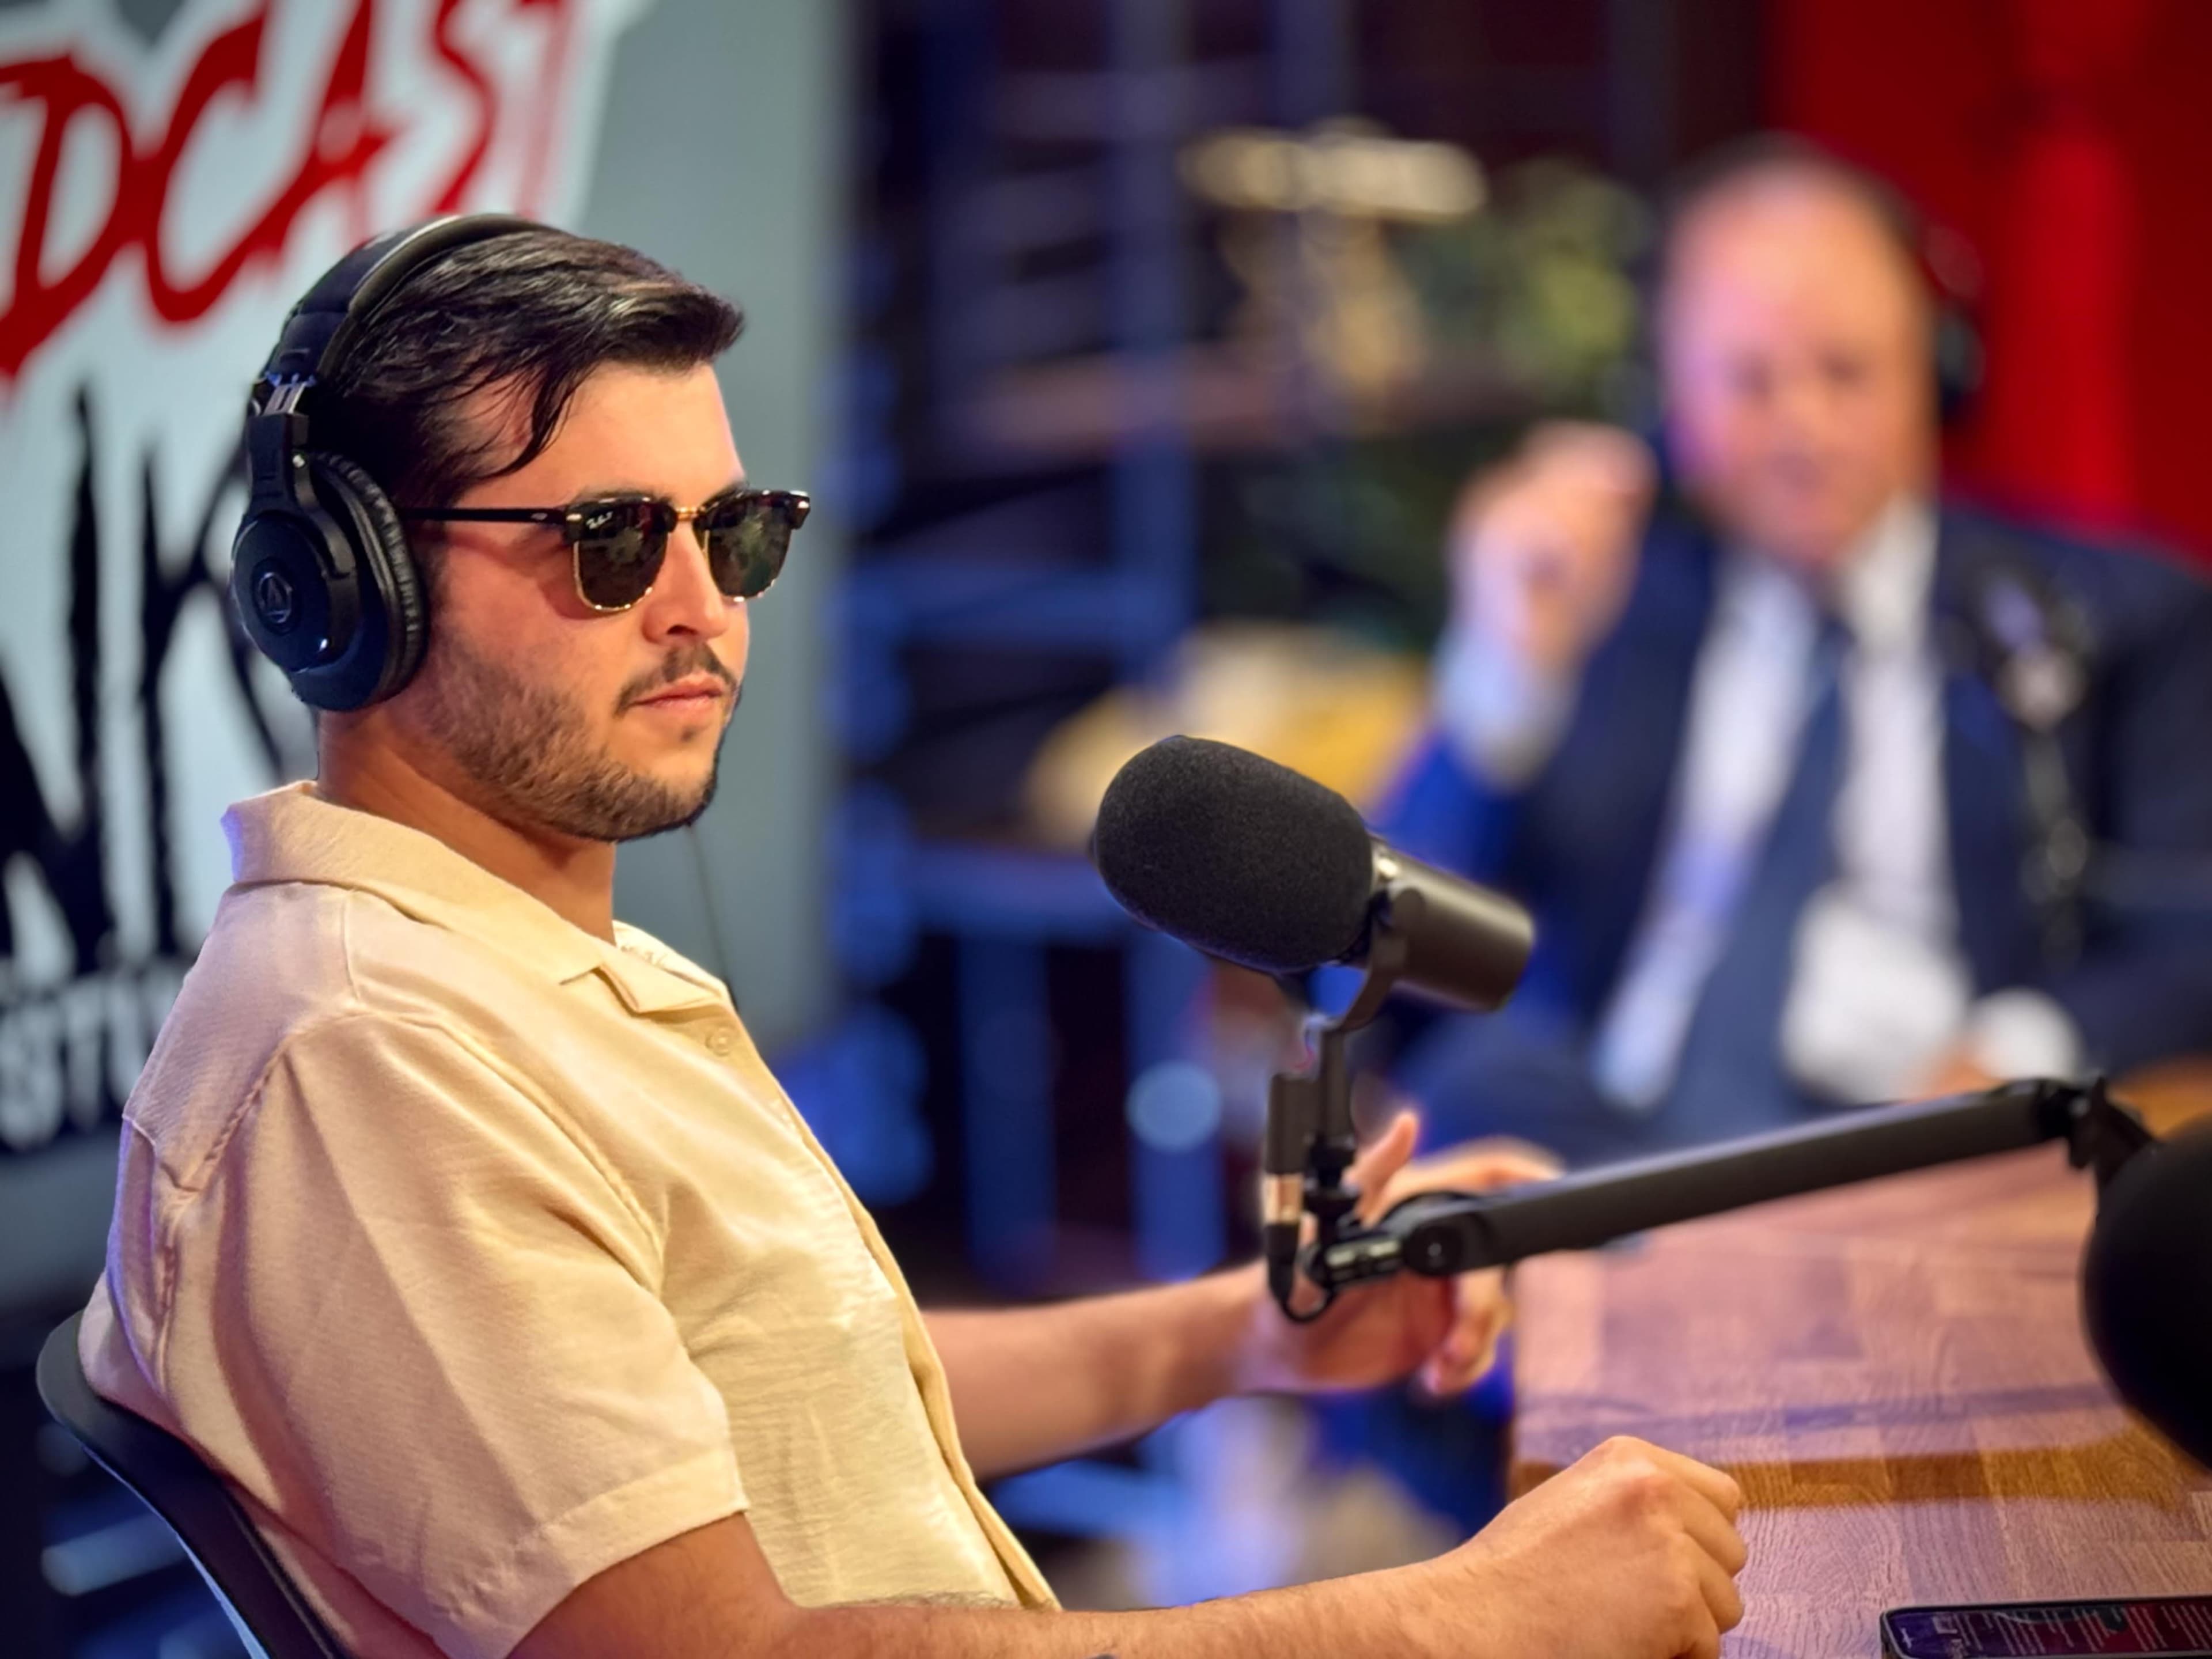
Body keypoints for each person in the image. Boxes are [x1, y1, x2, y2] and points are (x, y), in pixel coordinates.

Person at [77, 219, 1748, 1659]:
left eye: (730, 533)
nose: (702, 609)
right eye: (608, 541)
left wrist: (1241, 1334)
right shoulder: (365, 1061)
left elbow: (800, 1397)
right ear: (343, 589)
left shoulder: (503, 968)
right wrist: (1452, 1618)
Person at [1382, 139, 2212, 1166]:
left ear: (1937, 371)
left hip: (1923, 1142)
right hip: (1621, 1147)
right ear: (1668, 400)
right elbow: (1377, 969)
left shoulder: (2114, 615)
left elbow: (2193, 933)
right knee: (1480, 1087)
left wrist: (2016, 1053)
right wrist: (1506, 669)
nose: (1804, 427)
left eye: (1847, 371)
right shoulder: (1602, 603)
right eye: (1750, 381)